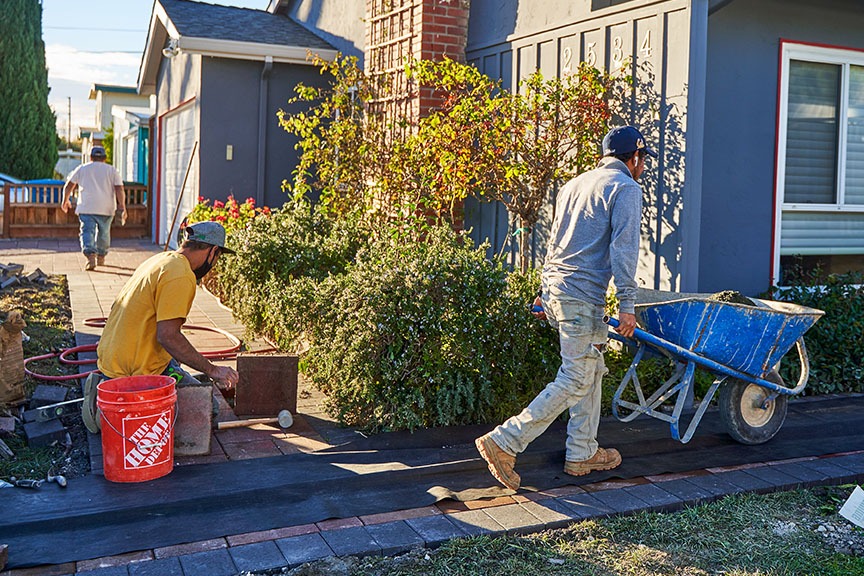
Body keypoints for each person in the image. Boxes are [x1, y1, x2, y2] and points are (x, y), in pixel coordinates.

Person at [475, 125, 656, 491]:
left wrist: (545, 291)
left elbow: (555, 241)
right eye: (642, 161)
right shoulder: (626, 188)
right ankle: (505, 441)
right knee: (576, 376)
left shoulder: (573, 185)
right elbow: (624, 251)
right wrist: (627, 306)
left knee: (591, 368)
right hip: (579, 297)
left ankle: (582, 452)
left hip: (559, 290)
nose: (643, 168)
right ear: (634, 157)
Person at [83, 221, 240, 432]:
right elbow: (168, 337)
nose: (214, 264)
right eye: (218, 257)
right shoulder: (181, 274)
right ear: (213, 252)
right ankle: (122, 408)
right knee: (206, 410)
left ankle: (109, 391)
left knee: (176, 361)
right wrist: (212, 369)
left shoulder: (160, 260)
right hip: (134, 372)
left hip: (113, 360)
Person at [61, 145, 126, 271]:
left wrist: (65, 200)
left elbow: (69, 185)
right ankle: (101, 256)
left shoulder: (82, 169)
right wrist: (122, 206)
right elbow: (119, 188)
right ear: (105, 158)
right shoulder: (112, 170)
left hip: (86, 207)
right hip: (107, 208)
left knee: (87, 231)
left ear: (90, 157)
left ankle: (90, 255)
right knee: (104, 233)